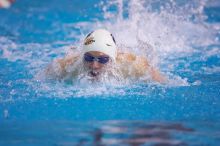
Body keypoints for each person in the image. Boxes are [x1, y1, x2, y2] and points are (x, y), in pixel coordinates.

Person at [45, 29, 165, 83]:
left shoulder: (131, 65)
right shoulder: (70, 65)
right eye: (89, 58)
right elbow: (45, 76)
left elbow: (161, 81)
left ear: (112, 58)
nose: (94, 65)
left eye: (102, 59)